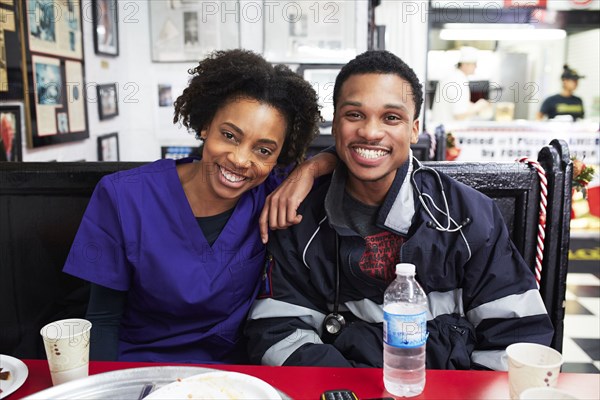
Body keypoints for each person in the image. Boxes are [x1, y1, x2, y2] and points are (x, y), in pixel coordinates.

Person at [246, 50, 554, 371]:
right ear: (335, 123)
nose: (370, 132)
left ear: (414, 129)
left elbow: (518, 337)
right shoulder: (300, 217)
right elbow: (277, 331)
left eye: (391, 117)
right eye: (354, 115)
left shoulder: (468, 216)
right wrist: (348, 390)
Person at [63, 49, 337, 363]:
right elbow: (102, 320)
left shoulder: (272, 192)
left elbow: (355, 151)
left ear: (279, 156)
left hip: (234, 379)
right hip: (138, 368)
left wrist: (310, 168)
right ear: (206, 125)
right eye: (230, 135)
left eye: (263, 150)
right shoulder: (124, 196)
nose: (240, 159)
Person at [430, 46, 491, 124]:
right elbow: (459, 114)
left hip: (443, 129)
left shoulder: (453, 76)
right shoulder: (458, 80)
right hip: (449, 132)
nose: (476, 67)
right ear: (465, 64)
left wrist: (474, 105)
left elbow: (460, 105)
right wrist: (479, 105)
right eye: (474, 64)